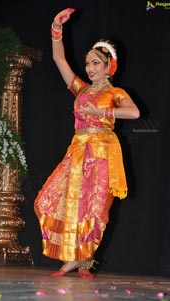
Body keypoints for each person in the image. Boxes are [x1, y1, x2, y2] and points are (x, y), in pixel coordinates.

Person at [34, 8, 140, 279]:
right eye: (88, 63)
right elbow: (59, 59)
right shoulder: (80, 89)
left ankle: (83, 261)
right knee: (48, 201)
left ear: (108, 66)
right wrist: (56, 29)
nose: (90, 68)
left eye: (96, 63)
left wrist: (99, 113)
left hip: (102, 154)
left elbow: (134, 112)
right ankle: (71, 256)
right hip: (77, 153)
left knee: (94, 209)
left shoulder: (116, 93)